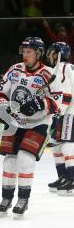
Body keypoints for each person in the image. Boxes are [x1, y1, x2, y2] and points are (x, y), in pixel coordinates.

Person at [0, 37, 62, 219]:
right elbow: (1, 93)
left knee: (25, 159)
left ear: (38, 53)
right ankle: (6, 198)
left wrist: (40, 104)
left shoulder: (48, 74)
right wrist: (2, 107)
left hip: (38, 123)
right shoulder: (15, 70)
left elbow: (58, 101)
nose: (25, 55)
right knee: (9, 160)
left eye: (29, 52)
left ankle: (23, 199)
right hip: (15, 122)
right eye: (23, 51)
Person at [46, 42, 74, 195]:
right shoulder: (58, 69)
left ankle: (72, 179)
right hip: (65, 111)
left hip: (70, 112)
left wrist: (57, 115)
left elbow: (67, 96)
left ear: (58, 54)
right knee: (57, 146)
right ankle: (63, 177)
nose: (49, 55)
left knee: (67, 146)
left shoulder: (63, 67)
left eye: (51, 52)